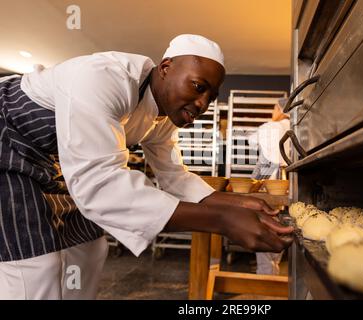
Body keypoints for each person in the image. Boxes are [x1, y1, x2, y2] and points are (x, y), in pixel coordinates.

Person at [0, 34, 293, 299]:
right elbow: (102, 186)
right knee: (34, 265)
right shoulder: (103, 78)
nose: (203, 103)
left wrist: (235, 203)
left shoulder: (162, 117)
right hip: (9, 142)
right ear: (165, 68)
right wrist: (222, 221)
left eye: (210, 96)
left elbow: (173, 174)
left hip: (55, 164)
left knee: (90, 249)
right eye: (198, 86)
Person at [248, 99, 290, 275]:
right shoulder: (297, 125)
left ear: (281, 109)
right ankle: (274, 271)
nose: (273, 110)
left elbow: (266, 161)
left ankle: (265, 281)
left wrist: (253, 184)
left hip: (271, 182)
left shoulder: (270, 127)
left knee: (266, 226)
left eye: (275, 107)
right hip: (290, 182)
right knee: (281, 225)